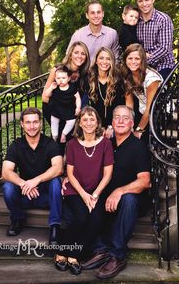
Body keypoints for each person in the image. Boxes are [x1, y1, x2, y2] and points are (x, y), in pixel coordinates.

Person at [81, 105, 151, 279]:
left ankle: (117, 255)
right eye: (117, 117)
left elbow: (145, 181)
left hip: (132, 201)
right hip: (108, 197)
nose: (120, 121)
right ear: (112, 122)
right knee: (90, 195)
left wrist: (120, 191)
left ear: (132, 123)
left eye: (125, 118)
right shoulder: (106, 143)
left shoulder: (138, 147)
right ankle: (101, 249)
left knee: (128, 199)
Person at [54, 106, 114, 275]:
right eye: (85, 119)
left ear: (97, 123)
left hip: (97, 191)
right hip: (75, 190)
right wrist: (84, 195)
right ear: (79, 123)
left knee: (96, 219)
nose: (88, 123)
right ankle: (61, 251)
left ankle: (73, 255)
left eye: (92, 119)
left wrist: (94, 195)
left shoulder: (106, 143)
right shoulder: (72, 144)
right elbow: (70, 174)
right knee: (80, 217)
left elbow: (107, 174)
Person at [1, 107, 63, 244]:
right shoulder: (16, 145)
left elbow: (58, 168)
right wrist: (24, 183)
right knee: (8, 187)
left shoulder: (50, 143)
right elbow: (6, 171)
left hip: (46, 197)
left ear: (40, 123)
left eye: (35, 122)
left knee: (56, 182)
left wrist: (36, 180)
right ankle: (17, 219)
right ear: (22, 124)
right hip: (25, 195)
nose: (32, 126)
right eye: (28, 122)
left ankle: (55, 226)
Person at [42, 41, 90, 141]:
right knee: (58, 140)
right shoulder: (58, 70)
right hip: (55, 111)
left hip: (71, 115)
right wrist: (61, 106)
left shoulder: (85, 74)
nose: (79, 56)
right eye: (76, 52)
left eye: (83, 53)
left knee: (71, 142)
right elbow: (44, 97)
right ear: (70, 54)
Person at [121, 43, 163, 144]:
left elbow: (150, 109)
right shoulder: (127, 75)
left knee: (142, 142)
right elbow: (129, 104)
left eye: (137, 59)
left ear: (142, 61)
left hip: (158, 113)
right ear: (125, 59)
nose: (133, 62)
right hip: (143, 111)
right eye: (130, 58)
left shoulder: (151, 79)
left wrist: (138, 130)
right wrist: (129, 125)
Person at [86, 46, 128, 138]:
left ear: (112, 61)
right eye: (101, 58)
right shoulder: (88, 80)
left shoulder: (118, 80)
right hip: (93, 126)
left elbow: (120, 106)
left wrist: (111, 126)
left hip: (113, 127)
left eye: (108, 59)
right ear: (96, 61)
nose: (104, 62)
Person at [135, 0, 175, 80]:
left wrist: (143, 59)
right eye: (140, 1)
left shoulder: (163, 19)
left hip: (163, 65)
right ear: (137, 2)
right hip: (140, 65)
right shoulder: (135, 20)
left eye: (147, 0)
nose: (144, 4)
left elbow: (164, 48)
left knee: (155, 88)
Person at [44, 65, 81, 143]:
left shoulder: (72, 88)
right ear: (55, 79)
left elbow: (77, 98)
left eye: (63, 78)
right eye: (58, 78)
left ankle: (64, 134)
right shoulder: (55, 88)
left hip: (68, 110)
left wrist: (78, 107)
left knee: (72, 121)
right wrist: (51, 88)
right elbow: (46, 95)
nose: (61, 80)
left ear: (68, 78)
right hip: (57, 110)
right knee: (54, 120)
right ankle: (55, 135)